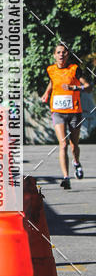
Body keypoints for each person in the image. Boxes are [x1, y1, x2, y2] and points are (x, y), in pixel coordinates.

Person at [41, 43, 91, 189]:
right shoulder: (50, 70)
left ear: (67, 55)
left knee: (73, 145)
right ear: (54, 55)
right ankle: (66, 177)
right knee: (62, 144)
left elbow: (88, 86)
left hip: (74, 111)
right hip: (58, 112)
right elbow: (53, 82)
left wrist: (74, 87)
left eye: (64, 52)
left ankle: (76, 162)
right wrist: (46, 93)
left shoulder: (74, 69)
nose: (61, 55)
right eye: (58, 52)